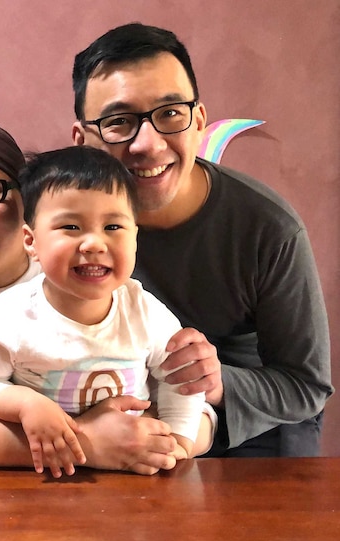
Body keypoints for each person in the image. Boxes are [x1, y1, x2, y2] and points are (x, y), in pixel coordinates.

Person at [0, 117, 214, 475]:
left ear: (24, 202)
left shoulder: (98, 282)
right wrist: (87, 443)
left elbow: (188, 399)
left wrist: (174, 441)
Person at [71, 23, 333, 456]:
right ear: (82, 139)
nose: (148, 144)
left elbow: (306, 387)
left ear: (198, 120)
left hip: (245, 435)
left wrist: (216, 379)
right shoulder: (55, 224)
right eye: (118, 123)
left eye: (170, 113)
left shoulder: (267, 227)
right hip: (112, 426)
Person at [0, 146, 205, 476]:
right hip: (47, 477)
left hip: (135, 474)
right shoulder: (13, 316)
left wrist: (179, 439)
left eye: (113, 227)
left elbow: (181, 379)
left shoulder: (145, 312)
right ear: (31, 242)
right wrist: (26, 404)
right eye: (71, 227)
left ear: (135, 237)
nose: (94, 244)